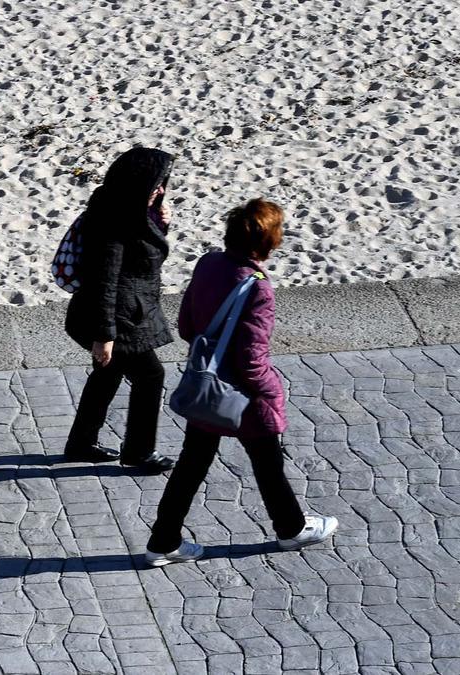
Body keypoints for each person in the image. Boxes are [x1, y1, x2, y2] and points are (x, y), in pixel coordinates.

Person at [144, 198, 338, 566]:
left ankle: (163, 540)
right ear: (267, 241)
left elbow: (187, 326)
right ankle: (291, 529)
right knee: (267, 460)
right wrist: (271, 389)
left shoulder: (208, 264)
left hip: (208, 386)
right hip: (243, 395)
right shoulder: (257, 287)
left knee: (192, 463)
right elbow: (251, 360)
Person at [63, 147, 177, 472]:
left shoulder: (129, 209)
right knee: (151, 375)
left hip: (128, 311)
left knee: (107, 374)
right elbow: (105, 281)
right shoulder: (115, 221)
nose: (161, 190)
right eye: (156, 185)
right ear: (138, 184)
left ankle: (81, 443)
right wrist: (104, 335)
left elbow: (146, 255)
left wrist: (159, 222)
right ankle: (139, 452)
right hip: (120, 317)